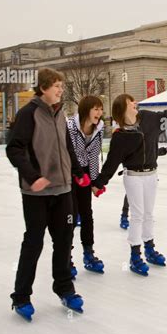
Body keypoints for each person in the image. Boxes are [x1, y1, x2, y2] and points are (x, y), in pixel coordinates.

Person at [6, 68, 85, 321]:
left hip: (62, 190)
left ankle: (64, 288)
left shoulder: (61, 114)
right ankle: (21, 296)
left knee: (64, 240)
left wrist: (78, 171)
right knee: (34, 242)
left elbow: (67, 147)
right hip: (36, 193)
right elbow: (14, 149)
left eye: (62, 86)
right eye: (56, 86)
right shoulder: (28, 114)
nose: (60, 90)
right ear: (42, 88)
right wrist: (32, 176)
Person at [94, 93, 167, 276]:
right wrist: (99, 183)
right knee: (138, 215)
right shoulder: (121, 135)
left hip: (151, 174)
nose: (135, 103)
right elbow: (111, 162)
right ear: (122, 109)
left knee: (148, 214)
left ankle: (150, 248)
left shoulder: (149, 118)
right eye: (130, 102)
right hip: (133, 176)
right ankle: (135, 256)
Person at [67, 96, 105, 277]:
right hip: (68, 174)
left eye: (101, 109)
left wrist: (95, 182)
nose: (99, 113)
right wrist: (77, 175)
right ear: (85, 110)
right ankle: (66, 258)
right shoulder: (70, 127)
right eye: (96, 109)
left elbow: (93, 156)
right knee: (71, 216)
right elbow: (69, 154)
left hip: (84, 175)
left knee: (87, 214)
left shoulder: (98, 129)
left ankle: (88, 254)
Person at [119, 144, 167, 230]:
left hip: (148, 175)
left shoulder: (147, 143)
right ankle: (124, 216)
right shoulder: (131, 144)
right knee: (130, 196)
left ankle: (146, 217)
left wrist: (166, 150)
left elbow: (154, 152)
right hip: (134, 175)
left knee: (147, 196)